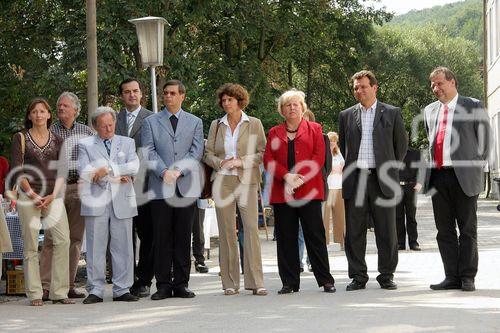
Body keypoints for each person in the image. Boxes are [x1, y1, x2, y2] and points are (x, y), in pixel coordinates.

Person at [338, 70, 407, 291]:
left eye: (363, 86)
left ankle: (386, 275)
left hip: (382, 179)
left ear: (374, 88)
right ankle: (358, 276)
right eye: (356, 87)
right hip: (356, 179)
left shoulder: (392, 113)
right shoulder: (346, 115)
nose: (359, 91)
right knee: (354, 231)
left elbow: (401, 147)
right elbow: (344, 146)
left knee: (386, 229)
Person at [424, 67, 490, 292]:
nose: (436, 88)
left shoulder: (473, 105)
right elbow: (431, 144)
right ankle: (451, 275)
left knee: (467, 229)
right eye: (433, 85)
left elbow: (485, 142)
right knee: (444, 231)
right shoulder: (430, 111)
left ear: (453, 82)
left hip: (464, 175)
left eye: (440, 83)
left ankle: (467, 276)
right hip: (438, 177)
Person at [264, 89, 335, 294]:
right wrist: (287, 177)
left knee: (315, 235)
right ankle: (289, 282)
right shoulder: (274, 132)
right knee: (286, 237)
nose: (292, 108)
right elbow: (269, 159)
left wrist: (300, 178)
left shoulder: (315, 129)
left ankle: (325, 280)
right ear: (282, 110)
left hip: (310, 189)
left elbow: (318, 158)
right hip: (281, 190)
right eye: (288, 105)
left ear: (303, 108)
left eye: (296, 104)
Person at [142, 79, 204, 300]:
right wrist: (164, 171)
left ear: (182, 96)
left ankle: (181, 283)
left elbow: (196, 151)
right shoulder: (150, 122)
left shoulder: (195, 122)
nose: (168, 96)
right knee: (162, 236)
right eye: (165, 93)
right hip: (160, 187)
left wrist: (178, 171)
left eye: (172, 93)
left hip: (185, 186)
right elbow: (148, 150)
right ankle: (163, 285)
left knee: (183, 236)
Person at [204, 83, 267, 296]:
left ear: (239, 101)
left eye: (229, 99)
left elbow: (262, 153)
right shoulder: (216, 125)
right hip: (222, 181)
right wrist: (221, 163)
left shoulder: (254, 123)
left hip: (247, 180)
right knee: (227, 231)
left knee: (250, 229)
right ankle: (229, 281)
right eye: (223, 100)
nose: (226, 103)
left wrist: (241, 161)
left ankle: (256, 281)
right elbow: (208, 154)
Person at [10, 97, 72, 306]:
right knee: (30, 246)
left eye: (42, 111)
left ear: (48, 114)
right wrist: (34, 196)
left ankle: (59, 292)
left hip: (52, 196)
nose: (38, 115)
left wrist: (52, 196)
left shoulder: (58, 140)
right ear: (29, 116)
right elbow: (18, 171)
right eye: (34, 111)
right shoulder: (20, 138)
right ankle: (35, 294)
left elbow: (62, 171)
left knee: (63, 240)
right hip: (29, 197)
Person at [78, 106, 140, 304]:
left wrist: (106, 170)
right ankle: (95, 289)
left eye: (111, 124)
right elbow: (85, 172)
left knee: (123, 246)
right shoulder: (85, 144)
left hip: (122, 200)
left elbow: (134, 166)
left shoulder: (127, 142)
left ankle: (122, 288)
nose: (108, 128)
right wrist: (113, 178)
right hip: (95, 201)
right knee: (95, 246)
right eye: (103, 126)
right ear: (95, 127)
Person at [39, 92, 94, 301]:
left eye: (64, 106)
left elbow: (93, 159)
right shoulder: (49, 131)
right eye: (58, 105)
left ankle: (68, 285)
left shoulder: (87, 132)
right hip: (56, 190)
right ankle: (46, 286)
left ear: (75, 110)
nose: (60, 108)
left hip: (79, 189)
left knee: (75, 239)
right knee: (52, 239)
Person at [115, 78, 154, 298]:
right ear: (121, 95)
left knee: (147, 233)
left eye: (135, 91)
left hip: (144, 185)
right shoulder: (113, 119)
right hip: (119, 186)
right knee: (123, 235)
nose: (132, 95)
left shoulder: (151, 118)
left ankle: (144, 279)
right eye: (127, 91)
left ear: (141, 94)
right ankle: (125, 278)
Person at [396, 143, 422, 251]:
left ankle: (413, 243)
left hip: (411, 188)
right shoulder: (393, 152)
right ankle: (400, 243)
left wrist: (420, 182)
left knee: (411, 217)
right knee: (398, 217)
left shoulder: (416, 153)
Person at [323, 131, 345, 250]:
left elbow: (342, 168)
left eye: (335, 141)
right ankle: (325, 241)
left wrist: (335, 169)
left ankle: (340, 241)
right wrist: (335, 168)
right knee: (325, 217)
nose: (333, 143)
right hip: (328, 188)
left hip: (339, 187)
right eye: (331, 140)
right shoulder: (325, 152)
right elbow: (328, 169)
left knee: (340, 216)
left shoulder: (338, 153)